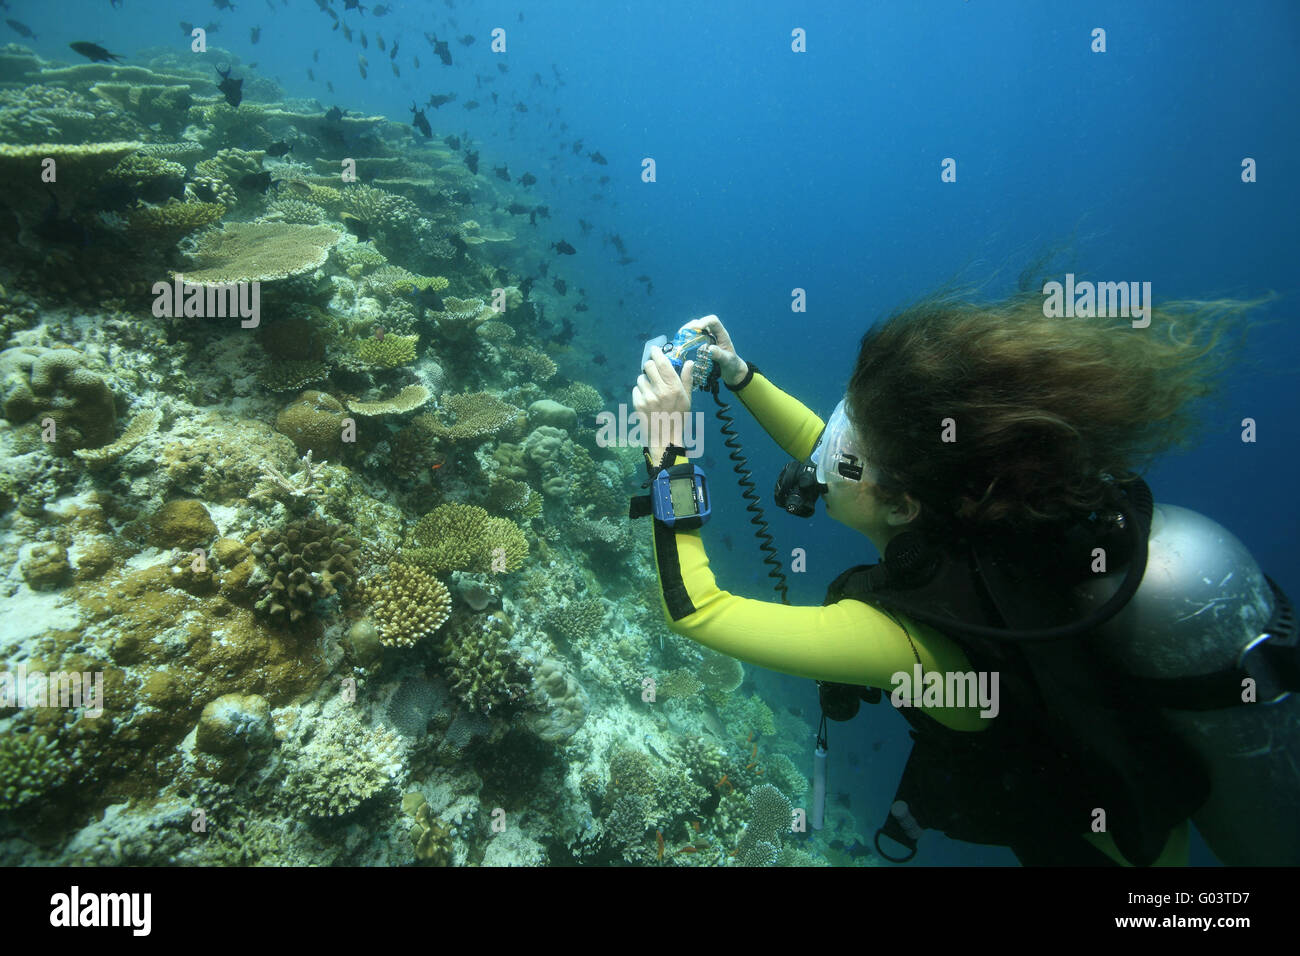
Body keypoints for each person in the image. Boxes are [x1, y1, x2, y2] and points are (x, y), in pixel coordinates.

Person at [631, 291, 1297, 867]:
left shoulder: (904, 639)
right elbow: (840, 458)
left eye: (842, 443)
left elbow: (697, 610)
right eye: (840, 415)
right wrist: (739, 373)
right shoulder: (971, 504)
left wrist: (669, 451)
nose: (822, 451)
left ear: (901, 506)